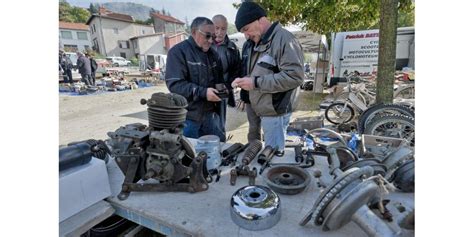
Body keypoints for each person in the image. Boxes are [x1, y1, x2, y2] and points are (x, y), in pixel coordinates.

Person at [232, 1, 304, 156]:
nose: (246, 35)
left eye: (246, 29)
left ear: (260, 20)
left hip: (275, 112)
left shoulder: (284, 39)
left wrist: (255, 82)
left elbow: (295, 76)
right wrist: (245, 81)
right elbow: (259, 71)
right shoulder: (255, 41)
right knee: (265, 156)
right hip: (262, 108)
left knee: (273, 158)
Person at [165, 17, 226, 142]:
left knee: (218, 151)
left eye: (213, 37)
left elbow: (219, 81)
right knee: (189, 156)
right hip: (188, 118)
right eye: (207, 36)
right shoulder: (177, 52)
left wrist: (223, 89)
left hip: (211, 117)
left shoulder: (214, 55)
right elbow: (175, 85)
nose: (210, 41)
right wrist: (203, 92)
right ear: (193, 32)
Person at [211, 14, 241, 136]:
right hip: (203, 91)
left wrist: (228, 87)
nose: (219, 32)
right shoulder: (202, 43)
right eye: (216, 28)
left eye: (223, 29)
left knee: (220, 125)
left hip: (222, 92)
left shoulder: (232, 48)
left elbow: (236, 70)